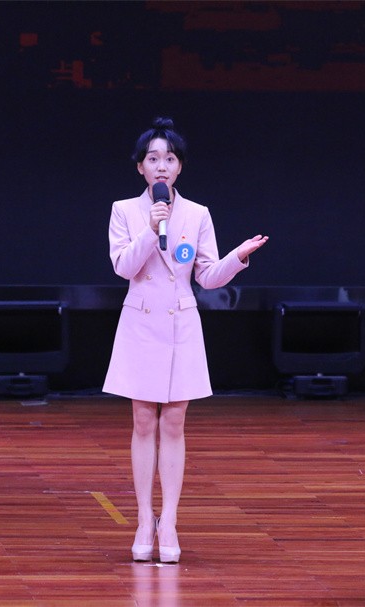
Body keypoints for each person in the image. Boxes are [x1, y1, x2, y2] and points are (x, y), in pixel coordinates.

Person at [103, 117, 268, 563]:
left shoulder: (197, 214)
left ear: (180, 167)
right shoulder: (124, 210)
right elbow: (123, 267)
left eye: (170, 159)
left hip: (181, 325)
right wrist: (150, 227)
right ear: (140, 166)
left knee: (174, 423)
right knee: (143, 422)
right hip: (140, 323)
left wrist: (237, 257)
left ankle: (170, 521)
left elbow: (207, 276)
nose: (162, 166)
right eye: (153, 158)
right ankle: (144, 520)